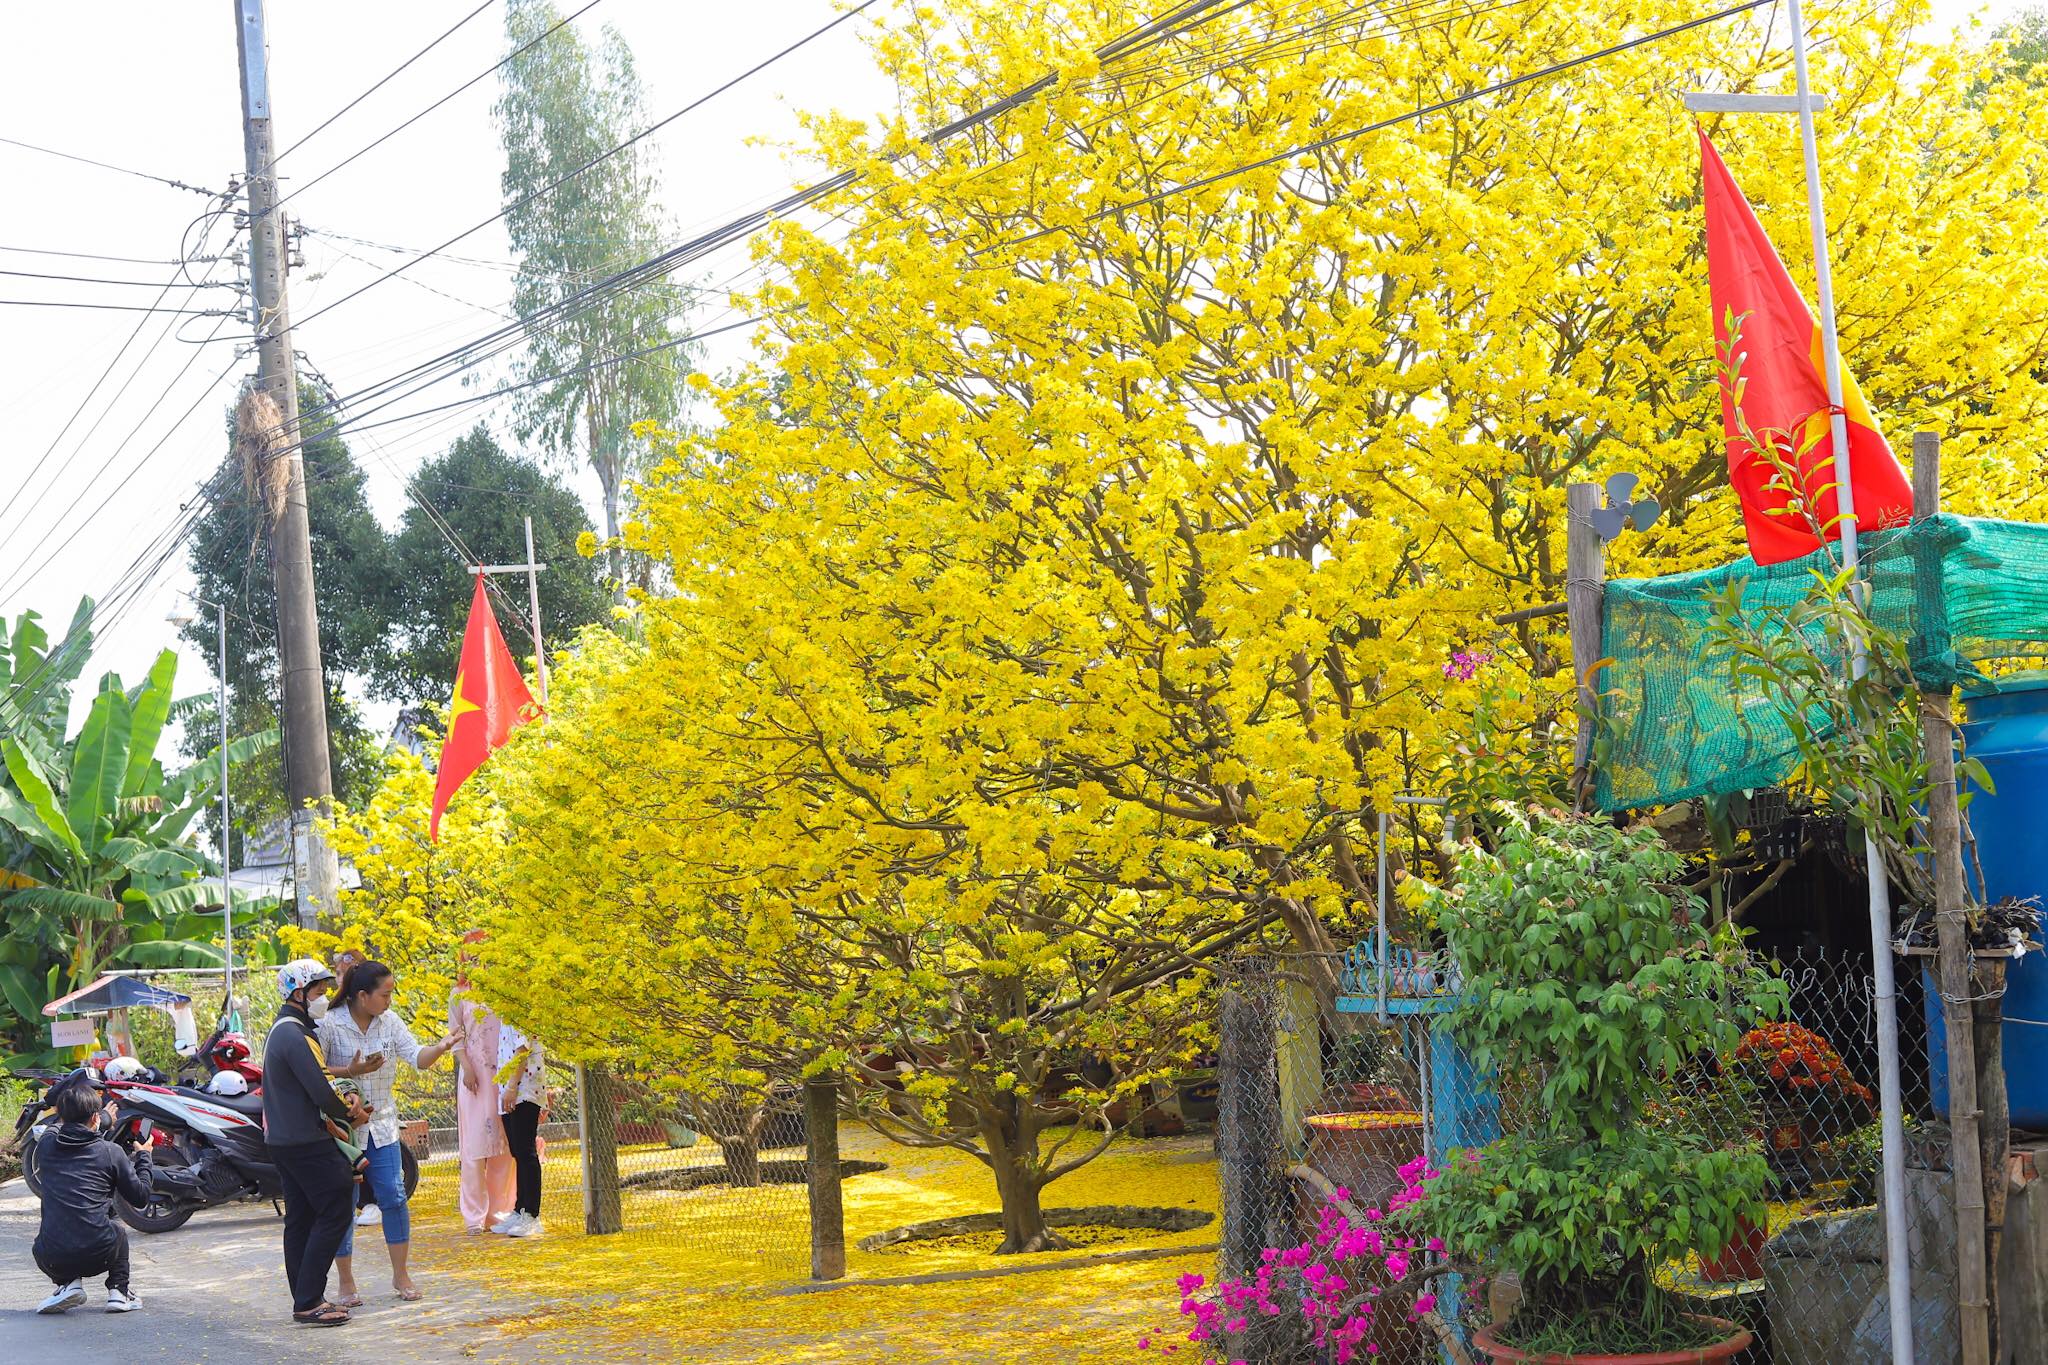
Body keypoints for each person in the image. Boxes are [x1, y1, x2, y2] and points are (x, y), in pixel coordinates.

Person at [321, 961, 462, 1303]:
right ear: (362, 995)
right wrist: (349, 1070)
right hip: (344, 1130)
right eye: (385, 994)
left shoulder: (390, 1023)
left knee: (394, 1197)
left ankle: (401, 1276)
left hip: (382, 1126)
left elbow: (416, 1057)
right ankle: (345, 1283)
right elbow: (316, 1070)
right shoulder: (329, 1024)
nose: (389, 1000)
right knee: (344, 1202)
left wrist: (442, 1047)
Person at [264, 958, 370, 1328]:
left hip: (283, 1139)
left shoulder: (283, 1029)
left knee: (302, 1218)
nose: (324, 997)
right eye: (318, 991)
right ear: (298, 993)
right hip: (305, 1140)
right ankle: (309, 1299)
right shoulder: (296, 1034)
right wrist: (352, 1112)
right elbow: (323, 1090)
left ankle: (305, 1298)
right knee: (337, 1206)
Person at [31, 1079, 152, 1314]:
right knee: (116, 1230)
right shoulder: (111, 1153)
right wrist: (144, 1157)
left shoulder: (45, 1145)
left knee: (52, 1232)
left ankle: (68, 1284)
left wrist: (98, 1118)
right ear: (95, 1118)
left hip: (51, 1257)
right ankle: (119, 1291)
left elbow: (61, 1125)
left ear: (60, 1115)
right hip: (99, 1252)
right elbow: (141, 1197)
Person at [450, 949, 515, 1233]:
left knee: (503, 1145)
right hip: (474, 1077)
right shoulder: (458, 994)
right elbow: (455, 1035)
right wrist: (465, 1066)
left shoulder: (506, 992)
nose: (478, 963)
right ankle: (474, 1215)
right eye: (472, 957)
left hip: (504, 1075)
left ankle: (499, 1212)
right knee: (475, 1148)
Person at [492, 1020, 547, 1237]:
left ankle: (532, 1215)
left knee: (526, 1152)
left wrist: (512, 1086)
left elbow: (522, 1051)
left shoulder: (519, 1009)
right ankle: (520, 1209)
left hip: (524, 1089)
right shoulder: (503, 1012)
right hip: (509, 1090)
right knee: (517, 1151)